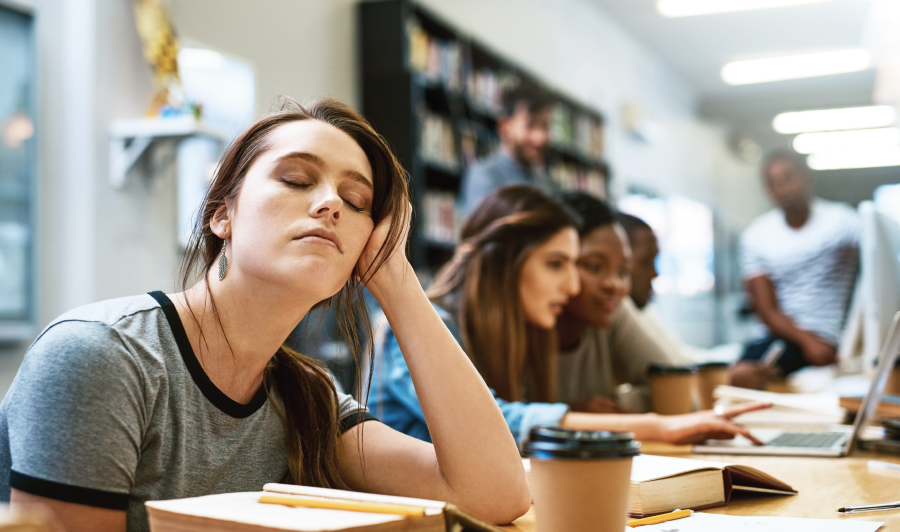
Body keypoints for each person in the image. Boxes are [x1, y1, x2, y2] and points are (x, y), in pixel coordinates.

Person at [0, 99, 530, 532]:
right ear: (222, 215)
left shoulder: (308, 396)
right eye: (296, 180)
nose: (331, 204)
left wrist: (397, 281)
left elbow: (495, 495)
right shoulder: (100, 355)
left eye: (356, 200)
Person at [370, 185, 768, 447]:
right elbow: (489, 423)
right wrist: (657, 426)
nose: (573, 285)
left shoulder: (520, 330)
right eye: (556, 264)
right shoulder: (417, 327)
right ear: (502, 263)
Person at [732, 152, 860, 389]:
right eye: (772, 183)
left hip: (828, 336)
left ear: (807, 177)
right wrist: (807, 341)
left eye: (788, 178)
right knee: (740, 376)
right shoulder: (756, 235)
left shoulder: (843, 222)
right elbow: (765, 309)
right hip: (784, 337)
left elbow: (881, 260)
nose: (781, 189)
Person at [459, 84, 556, 213]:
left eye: (545, 126)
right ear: (504, 127)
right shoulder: (483, 176)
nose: (540, 137)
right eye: (530, 125)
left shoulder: (548, 185)